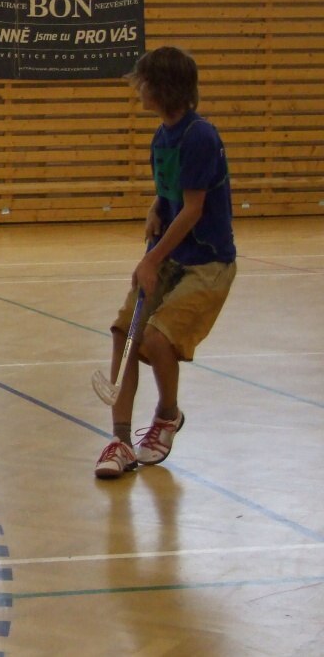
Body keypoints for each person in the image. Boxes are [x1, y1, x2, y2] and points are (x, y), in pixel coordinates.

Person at [94, 46, 237, 479]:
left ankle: (166, 416)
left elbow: (193, 209)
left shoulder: (200, 137)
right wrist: (156, 206)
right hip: (172, 255)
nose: (138, 89)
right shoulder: (162, 136)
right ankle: (120, 440)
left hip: (206, 264)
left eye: (144, 83)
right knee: (124, 332)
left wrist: (151, 260)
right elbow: (172, 193)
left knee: (156, 340)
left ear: (164, 88)